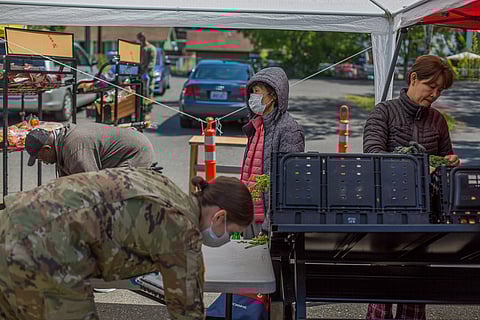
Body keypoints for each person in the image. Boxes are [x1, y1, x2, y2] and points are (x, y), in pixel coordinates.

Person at [0, 167, 254, 320]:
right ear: (219, 216)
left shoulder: (165, 187)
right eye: (232, 232)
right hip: (41, 251)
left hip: (12, 220)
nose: (227, 238)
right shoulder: (182, 229)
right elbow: (187, 310)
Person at [363, 55, 459, 320]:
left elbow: (445, 164)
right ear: (413, 78)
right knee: (382, 294)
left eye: (440, 90)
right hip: (384, 217)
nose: (435, 94)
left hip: (424, 218)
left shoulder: (438, 121)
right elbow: (373, 156)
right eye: (431, 86)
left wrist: (449, 163)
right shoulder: (383, 112)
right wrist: (415, 162)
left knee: (415, 292)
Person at [241, 67, 305, 238]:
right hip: (249, 215)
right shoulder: (256, 125)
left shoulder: (290, 129)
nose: (253, 97)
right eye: (252, 92)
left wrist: (270, 224)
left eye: (258, 92)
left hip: (268, 222)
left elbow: (288, 182)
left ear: (274, 95)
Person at [25, 122, 154, 177]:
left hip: (136, 151)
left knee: (115, 192)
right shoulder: (60, 144)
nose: (43, 162)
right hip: (125, 150)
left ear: (47, 149)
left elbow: (90, 185)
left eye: (40, 158)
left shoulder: (74, 149)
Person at [137, 32, 157, 106]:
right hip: (140, 72)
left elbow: (152, 61)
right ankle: (141, 104)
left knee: (149, 89)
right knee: (140, 89)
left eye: (140, 38)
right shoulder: (140, 48)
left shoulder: (151, 48)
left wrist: (147, 69)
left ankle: (148, 105)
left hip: (148, 72)